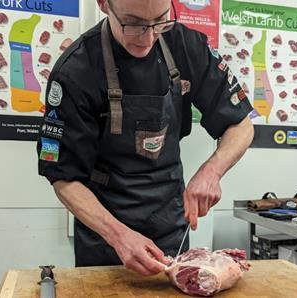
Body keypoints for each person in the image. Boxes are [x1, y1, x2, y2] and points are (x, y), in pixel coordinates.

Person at [37, 0, 254, 276]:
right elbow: (64, 178)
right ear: (104, 5)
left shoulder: (187, 46)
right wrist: (118, 236)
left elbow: (242, 126)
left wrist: (212, 171)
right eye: (134, 24)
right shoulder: (76, 70)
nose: (148, 37)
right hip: (104, 231)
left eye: (160, 21)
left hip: (170, 218)